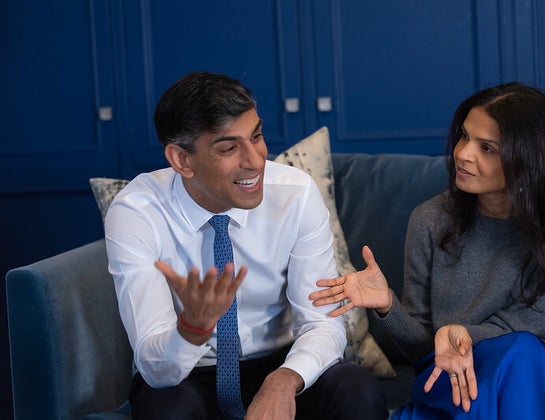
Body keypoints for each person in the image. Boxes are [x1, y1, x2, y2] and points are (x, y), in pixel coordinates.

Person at [310, 82, 545, 419]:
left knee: (521, 349)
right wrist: (388, 306)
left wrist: (461, 333)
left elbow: (516, 330)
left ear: (529, 161)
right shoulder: (430, 220)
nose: (463, 153)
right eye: (464, 136)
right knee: (469, 386)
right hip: (453, 378)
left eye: (487, 148)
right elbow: (422, 349)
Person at [105, 71, 386, 420]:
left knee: (357, 389)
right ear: (181, 160)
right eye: (229, 148)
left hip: (280, 362)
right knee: (169, 408)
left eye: (256, 136)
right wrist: (191, 330)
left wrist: (284, 380)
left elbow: (321, 323)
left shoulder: (295, 194)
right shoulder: (137, 212)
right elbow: (155, 367)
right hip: (188, 371)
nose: (255, 161)